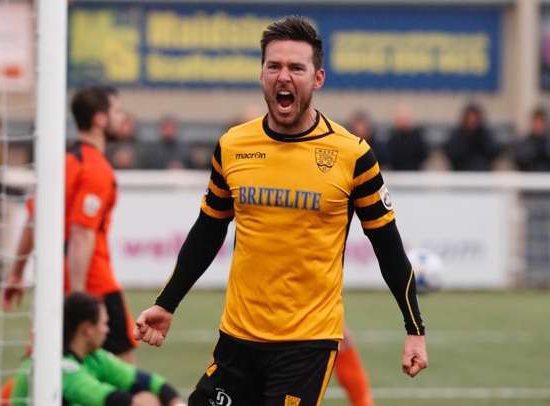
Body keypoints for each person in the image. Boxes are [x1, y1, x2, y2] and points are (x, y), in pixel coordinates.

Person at [135, 16, 428, 406]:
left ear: (318, 78)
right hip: (237, 339)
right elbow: (208, 231)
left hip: (306, 345)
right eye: (273, 66)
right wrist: (167, 302)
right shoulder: (233, 146)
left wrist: (414, 328)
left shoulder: (352, 155)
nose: (283, 76)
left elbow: (388, 247)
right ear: (261, 74)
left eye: (296, 67)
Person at [2, 86, 138, 362]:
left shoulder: (62, 162)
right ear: (100, 119)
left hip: (54, 285)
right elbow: (81, 234)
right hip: (93, 286)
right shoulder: (96, 168)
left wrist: (17, 272)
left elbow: (33, 220)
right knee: (126, 378)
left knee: (44, 369)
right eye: (116, 111)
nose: (121, 117)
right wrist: (79, 299)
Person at [9, 292, 186, 406]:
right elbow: (103, 397)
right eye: (104, 324)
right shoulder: (56, 365)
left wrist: (176, 402)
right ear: (87, 328)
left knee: (148, 397)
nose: (107, 330)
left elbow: (148, 381)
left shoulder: (95, 357)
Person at [443, 102, 500, 171]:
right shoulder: (457, 134)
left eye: (475, 118)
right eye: (469, 117)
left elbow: (494, 151)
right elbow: (451, 152)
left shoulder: (485, 134)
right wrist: (467, 138)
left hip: (483, 173)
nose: (472, 120)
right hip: (460, 172)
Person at [386, 104, 428, 171]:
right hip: (395, 173)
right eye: (400, 119)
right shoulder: (391, 138)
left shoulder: (417, 137)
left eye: (404, 118)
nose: (402, 121)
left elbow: (423, 154)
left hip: (414, 173)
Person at [514, 107, 550, 171]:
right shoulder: (524, 142)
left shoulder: (547, 142)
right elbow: (520, 159)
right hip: (528, 178)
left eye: (541, 122)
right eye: (536, 122)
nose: (538, 125)